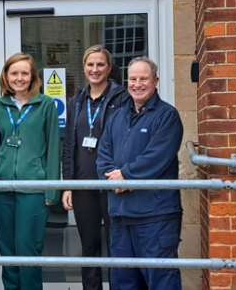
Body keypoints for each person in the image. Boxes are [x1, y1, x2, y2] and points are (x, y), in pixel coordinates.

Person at [97, 57, 184, 290]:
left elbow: (157, 157)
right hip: (120, 214)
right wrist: (111, 179)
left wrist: (125, 175)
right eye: (132, 79)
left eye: (143, 78)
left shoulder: (167, 116)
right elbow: (103, 155)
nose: (137, 84)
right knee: (123, 281)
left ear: (155, 81)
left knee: (160, 279)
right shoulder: (116, 118)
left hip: (155, 216)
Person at [0, 53, 61, 290]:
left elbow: (53, 149)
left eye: (24, 73)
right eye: (14, 73)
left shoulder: (46, 104)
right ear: (6, 77)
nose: (19, 78)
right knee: (7, 250)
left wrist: (51, 191)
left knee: (28, 249)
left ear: (32, 77)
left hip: (34, 189)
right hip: (1, 188)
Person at [61, 45, 130, 290]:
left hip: (112, 183)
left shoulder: (123, 98)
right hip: (83, 184)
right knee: (89, 246)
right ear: (84, 67)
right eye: (90, 64)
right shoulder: (76, 101)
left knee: (116, 245)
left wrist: (123, 174)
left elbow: (127, 140)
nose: (95, 69)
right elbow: (69, 145)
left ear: (109, 68)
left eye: (100, 64)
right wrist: (67, 184)